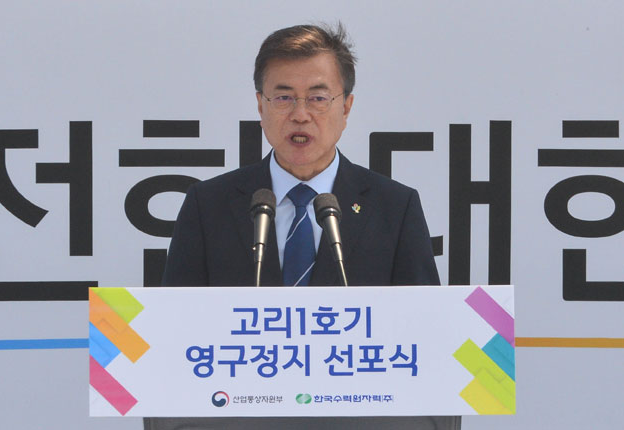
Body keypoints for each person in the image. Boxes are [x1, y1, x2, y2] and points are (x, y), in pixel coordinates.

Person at [145, 23, 459, 430]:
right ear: (260, 107)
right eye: (283, 97)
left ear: (346, 108)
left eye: (318, 98)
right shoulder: (208, 204)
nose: (300, 114)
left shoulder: (394, 206)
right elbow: (174, 334)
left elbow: (426, 337)